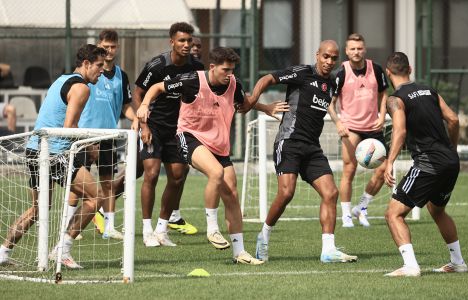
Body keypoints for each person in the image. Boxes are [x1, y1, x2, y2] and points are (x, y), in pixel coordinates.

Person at [137, 47, 285, 264]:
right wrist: (143, 105)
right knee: (215, 173)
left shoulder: (233, 84)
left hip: (219, 145)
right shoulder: (191, 80)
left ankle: (240, 252)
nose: (230, 74)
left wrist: (264, 107)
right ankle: (212, 228)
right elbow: (157, 87)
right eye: (226, 70)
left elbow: (243, 103)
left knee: (232, 194)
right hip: (189, 137)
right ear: (213, 67)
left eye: (233, 70)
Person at [248, 40, 358, 263]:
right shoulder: (302, 73)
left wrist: (338, 121)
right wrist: (253, 99)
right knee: (287, 192)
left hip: (312, 147)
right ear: (317, 55)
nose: (329, 61)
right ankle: (264, 236)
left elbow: (329, 105)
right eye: (325, 56)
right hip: (289, 141)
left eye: (333, 58)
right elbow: (268, 78)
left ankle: (328, 250)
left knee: (331, 193)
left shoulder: (333, 83)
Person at [0, 44, 107, 269]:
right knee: (96, 197)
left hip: (35, 148)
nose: (102, 70)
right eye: (99, 65)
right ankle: (62, 250)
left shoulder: (61, 80)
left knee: (38, 209)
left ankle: (2, 253)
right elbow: (68, 127)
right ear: (86, 64)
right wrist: (90, 145)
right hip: (55, 152)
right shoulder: (82, 88)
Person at [383, 52, 467, 277]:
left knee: (393, 214)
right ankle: (458, 262)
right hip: (450, 161)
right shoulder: (430, 91)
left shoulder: (395, 99)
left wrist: (389, 162)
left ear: (388, 72)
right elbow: (454, 119)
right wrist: (452, 147)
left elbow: (399, 130)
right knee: (436, 209)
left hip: (429, 163)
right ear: (409, 69)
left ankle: (410, 266)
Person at [133, 22, 203, 247]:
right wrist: (143, 124)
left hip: (180, 130)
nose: (186, 45)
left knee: (177, 177)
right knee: (151, 175)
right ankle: (146, 231)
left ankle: (162, 230)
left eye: (189, 41)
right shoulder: (157, 66)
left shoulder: (197, 67)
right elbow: (138, 93)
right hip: (154, 127)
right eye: (181, 41)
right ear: (171, 41)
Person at [67, 29, 136, 240]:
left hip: (108, 135)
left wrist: (138, 119)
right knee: (77, 184)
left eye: (113, 47)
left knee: (108, 182)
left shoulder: (121, 76)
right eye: (105, 46)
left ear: (117, 48)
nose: (109, 50)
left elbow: (125, 106)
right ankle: (69, 226)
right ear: (99, 45)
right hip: (84, 135)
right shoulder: (87, 73)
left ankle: (109, 227)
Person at [328, 33, 389, 228]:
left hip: (373, 127)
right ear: (347, 51)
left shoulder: (376, 69)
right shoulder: (341, 72)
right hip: (351, 128)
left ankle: (361, 207)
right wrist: (338, 122)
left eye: (359, 48)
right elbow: (331, 103)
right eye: (352, 49)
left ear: (365, 49)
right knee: (349, 169)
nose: (356, 52)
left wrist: (382, 115)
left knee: (384, 170)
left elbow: (384, 93)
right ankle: (346, 214)